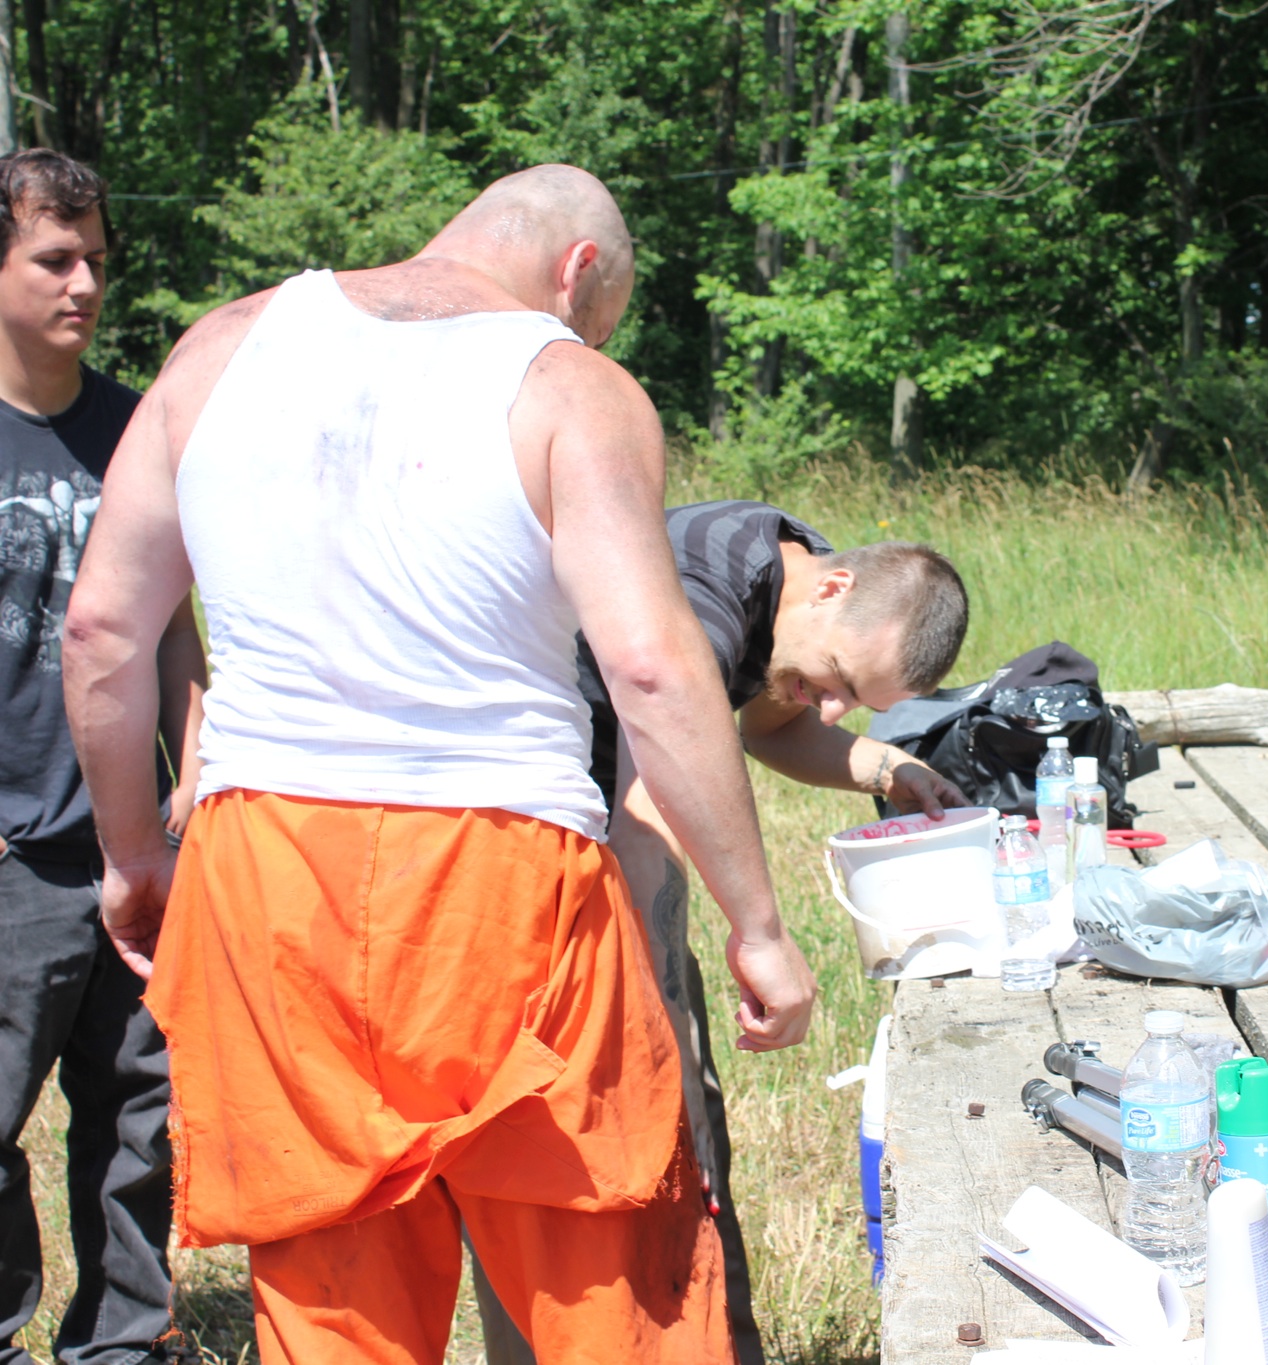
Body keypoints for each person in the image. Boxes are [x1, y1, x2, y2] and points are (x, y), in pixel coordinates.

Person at [60, 164, 817, 1364]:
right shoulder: (570, 385)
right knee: (608, 1281)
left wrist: (131, 855)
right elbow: (656, 668)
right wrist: (757, 922)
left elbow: (103, 629)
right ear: (577, 272)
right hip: (498, 871)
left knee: (331, 1299)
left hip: (264, 866)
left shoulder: (220, 350)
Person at [474, 502, 971, 1365]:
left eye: (854, 702)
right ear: (836, 588)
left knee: (681, 1132)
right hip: (509, 846)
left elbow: (772, 728)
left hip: (579, 825)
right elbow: (648, 804)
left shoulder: (795, 592)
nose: (829, 706)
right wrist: (685, 987)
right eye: (838, 682)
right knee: (586, 1140)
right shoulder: (708, 586)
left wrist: (891, 767)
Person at [0, 149, 203, 1365]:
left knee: (140, 1119)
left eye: (95, 261)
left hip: (133, 838)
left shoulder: (138, 429)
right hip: (12, 847)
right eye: (53, 259)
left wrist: (193, 759)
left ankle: (123, 1341)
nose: (83, 283)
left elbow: (176, 619)